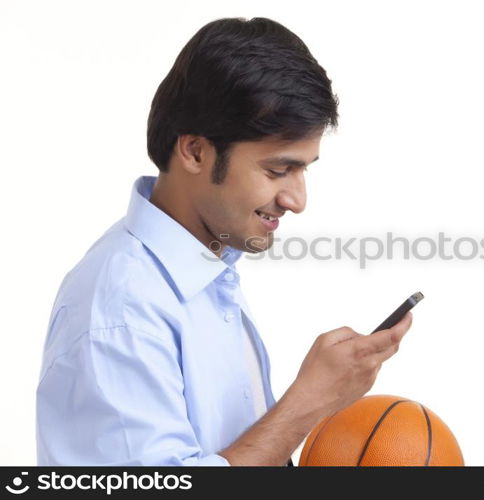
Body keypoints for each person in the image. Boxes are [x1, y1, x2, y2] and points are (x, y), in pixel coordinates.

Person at [35, 17, 412, 466]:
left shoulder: (207, 268)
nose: (297, 200)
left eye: (303, 169)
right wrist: (306, 404)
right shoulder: (121, 311)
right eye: (277, 170)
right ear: (195, 151)